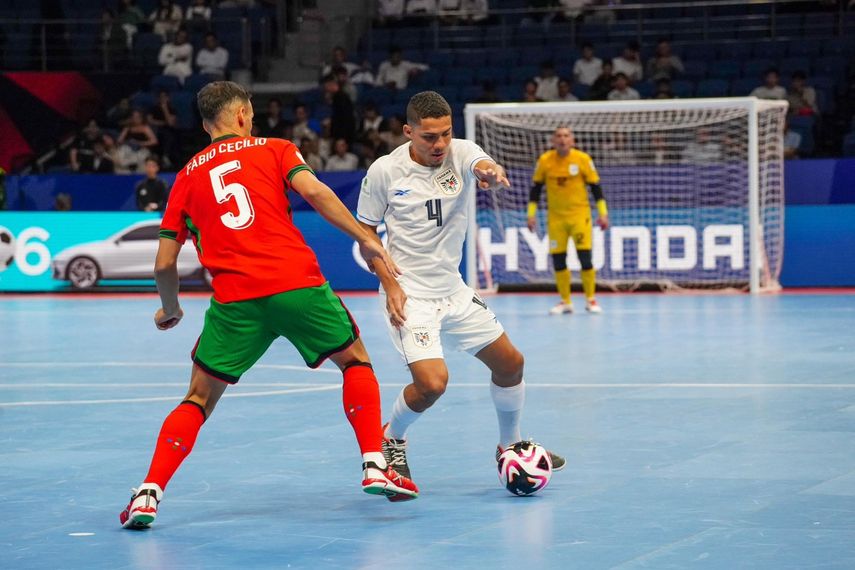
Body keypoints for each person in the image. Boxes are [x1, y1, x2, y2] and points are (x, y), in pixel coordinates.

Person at [119, 81, 418, 530]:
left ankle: (148, 494)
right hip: (296, 284)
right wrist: (367, 238)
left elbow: (164, 263)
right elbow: (315, 194)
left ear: (205, 125)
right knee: (355, 362)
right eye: (252, 114)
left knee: (198, 398)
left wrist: (171, 309)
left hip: (236, 302)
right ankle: (374, 463)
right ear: (241, 115)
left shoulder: (184, 177)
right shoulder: (276, 149)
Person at [356, 91, 565, 491]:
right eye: (429, 137)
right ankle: (393, 437)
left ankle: (509, 446)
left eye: (445, 135)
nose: (439, 145)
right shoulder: (386, 171)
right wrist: (389, 283)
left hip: (453, 290)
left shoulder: (461, 151)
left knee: (510, 365)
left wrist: (489, 171)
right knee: (432, 384)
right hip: (410, 295)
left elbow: (481, 162)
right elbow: (365, 230)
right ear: (408, 132)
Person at [527, 126, 608, 315]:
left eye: (566, 136)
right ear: (553, 141)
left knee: (585, 258)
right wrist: (530, 215)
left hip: (580, 217)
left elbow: (596, 188)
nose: (562, 139)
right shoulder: (545, 161)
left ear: (572, 140)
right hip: (556, 219)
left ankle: (591, 299)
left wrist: (603, 213)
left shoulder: (582, 159)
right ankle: (565, 301)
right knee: (558, 260)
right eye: (558, 136)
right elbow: (535, 191)